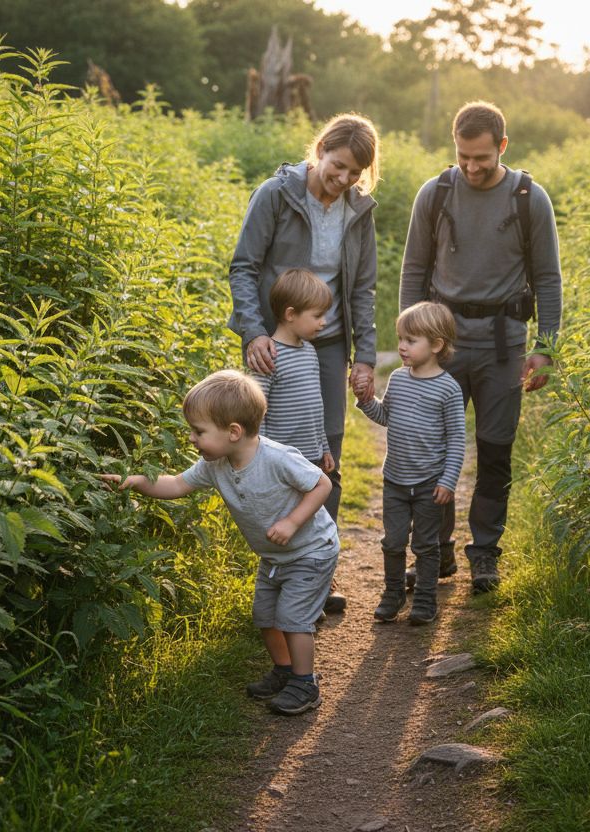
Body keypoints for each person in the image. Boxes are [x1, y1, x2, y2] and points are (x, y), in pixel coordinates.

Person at [397, 101, 562, 594]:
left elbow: (548, 279)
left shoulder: (530, 198)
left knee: (494, 452)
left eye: (482, 158)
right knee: (430, 453)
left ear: (502, 147)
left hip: (503, 346)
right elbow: (412, 271)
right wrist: (410, 341)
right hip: (441, 346)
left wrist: (545, 346)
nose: (472, 167)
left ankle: (485, 553)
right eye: (464, 157)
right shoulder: (436, 193)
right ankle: (436, 553)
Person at [102, 370, 337, 715]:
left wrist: (291, 521)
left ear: (233, 432)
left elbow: (322, 485)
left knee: (292, 617)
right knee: (265, 616)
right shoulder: (215, 465)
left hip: (311, 550)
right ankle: (284, 671)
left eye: (198, 431)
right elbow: (176, 485)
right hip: (274, 557)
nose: (192, 439)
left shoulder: (276, 458)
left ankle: (305, 683)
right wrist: (136, 481)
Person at [229, 113, 381, 614]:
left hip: (330, 340)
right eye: (336, 168)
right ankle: (275, 569)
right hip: (275, 338)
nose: (341, 182)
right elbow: (244, 266)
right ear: (320, 151)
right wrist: (254, 333)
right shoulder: (276, 194)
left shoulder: (359, 211)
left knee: (322, 456)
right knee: (270, 452)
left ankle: (317, 576)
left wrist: (363, 357)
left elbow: (361, 287)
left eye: (353, 175)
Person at [355, 302, 465, 625]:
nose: (401, 346)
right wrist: (365, 402)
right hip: (396, 482)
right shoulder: (399, 380)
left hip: (430, 484)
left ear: (436, 345)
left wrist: (448, 481)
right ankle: (393, 592)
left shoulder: (448, 389)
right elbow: (385, 416)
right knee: (392, 540)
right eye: (401, 338)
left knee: (426, 544)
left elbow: (457, 440)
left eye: (410, 340)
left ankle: (426, 599)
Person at [253, 268, 336, 476]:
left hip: (311, 458)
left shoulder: (309, 351)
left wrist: (324, 447)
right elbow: (256, 411)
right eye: (317, 316)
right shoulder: (268, 356)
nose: (324, 322)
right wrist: (260, 456)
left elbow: (316, 407)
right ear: (290, 314)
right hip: (280, 460)